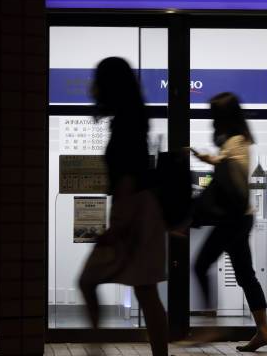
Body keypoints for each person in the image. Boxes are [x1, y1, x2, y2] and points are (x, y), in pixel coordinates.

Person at [78, 57, 168, 356]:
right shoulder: (132, 119)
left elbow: (127, 179)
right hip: (141, 214)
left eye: (97, 80)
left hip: (133, 215)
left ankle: (96, 349)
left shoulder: (126, 123)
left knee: (90, 281)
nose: (91, 87)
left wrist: (116, 227)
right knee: (146, 291)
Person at [192, 92, 267, 352]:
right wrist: (212, 159)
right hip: (240, 218)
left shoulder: (236, 140)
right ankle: (263, 331)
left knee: (201, 265)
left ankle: (209, 326)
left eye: (215, 114)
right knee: (246, 275)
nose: (212, 119)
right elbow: (229, 165)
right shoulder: (238, 140)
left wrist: (213, 160)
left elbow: (232, 172)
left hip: (234, 219)